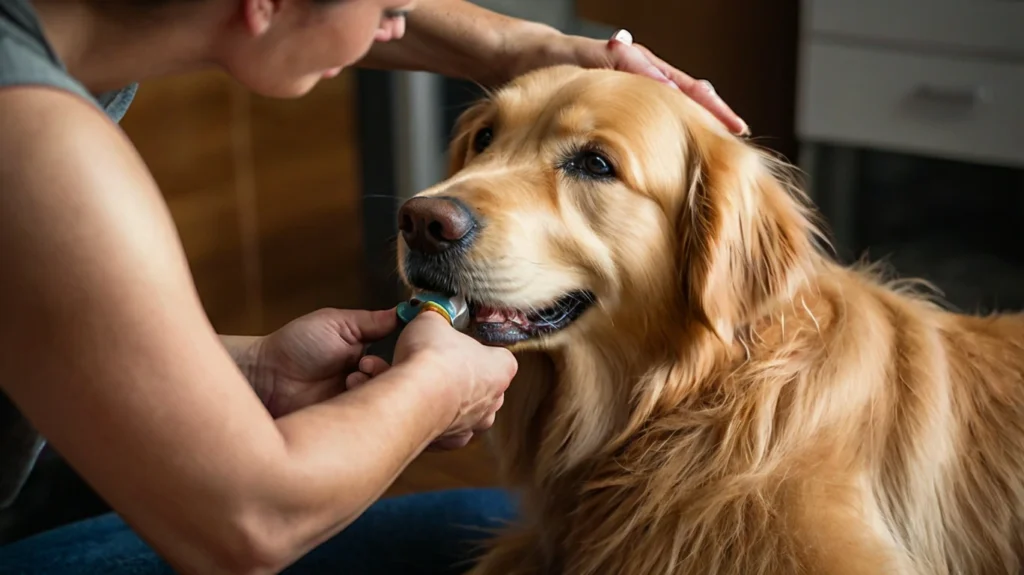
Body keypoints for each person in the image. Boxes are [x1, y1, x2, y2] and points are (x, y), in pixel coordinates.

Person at [0, 0, 747, 573]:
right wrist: (432, 390)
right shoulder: (34, 143)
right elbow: (254, 524)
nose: (397, 25)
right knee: (483, 527)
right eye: (388, 7)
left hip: (37, 472)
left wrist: (247, 367)